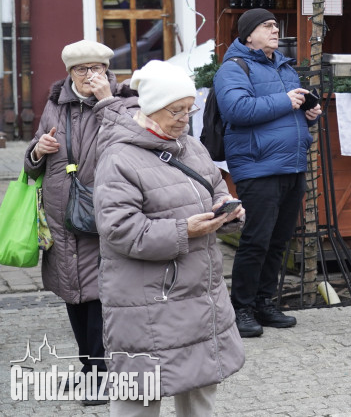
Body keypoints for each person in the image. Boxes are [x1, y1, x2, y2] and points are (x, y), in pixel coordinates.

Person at [94, 60, 245, 415]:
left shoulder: (192, 147)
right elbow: (119, 229)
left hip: (199, 299)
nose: (184, 118)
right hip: (148, 302)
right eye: (175, 110)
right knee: (140, 396)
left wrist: (227, 210)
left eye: (189, 108)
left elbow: (215, 188)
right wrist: (184, 230)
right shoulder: (119, 158)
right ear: (150, 109)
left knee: (200, 391)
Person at [24, 40, 137, 406]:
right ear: (69, 73)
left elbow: (131, 140)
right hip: (62, 217)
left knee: (99, 299)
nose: (90, 76)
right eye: (82, 70)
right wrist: (37, 150)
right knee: (73, 296)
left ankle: (105, 377)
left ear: (108, 69)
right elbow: (31, 163)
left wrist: (106, 100)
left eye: (97, 69)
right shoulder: (55, 104)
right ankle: (88, 370)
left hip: (102, 214)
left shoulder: (125, 99)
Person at [215, 7, 322, 338]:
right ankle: (241, 307)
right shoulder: (234, 68)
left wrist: (309, 113)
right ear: (249, 35)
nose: (276, 30)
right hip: (258, 166)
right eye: (268, 26)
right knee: (256, 240)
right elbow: (237, 109)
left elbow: (290, 106)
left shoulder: (284, 67)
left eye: (277, 25)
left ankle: (264, 302)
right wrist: (286, 102)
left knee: (278, 241)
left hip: (291, 164)